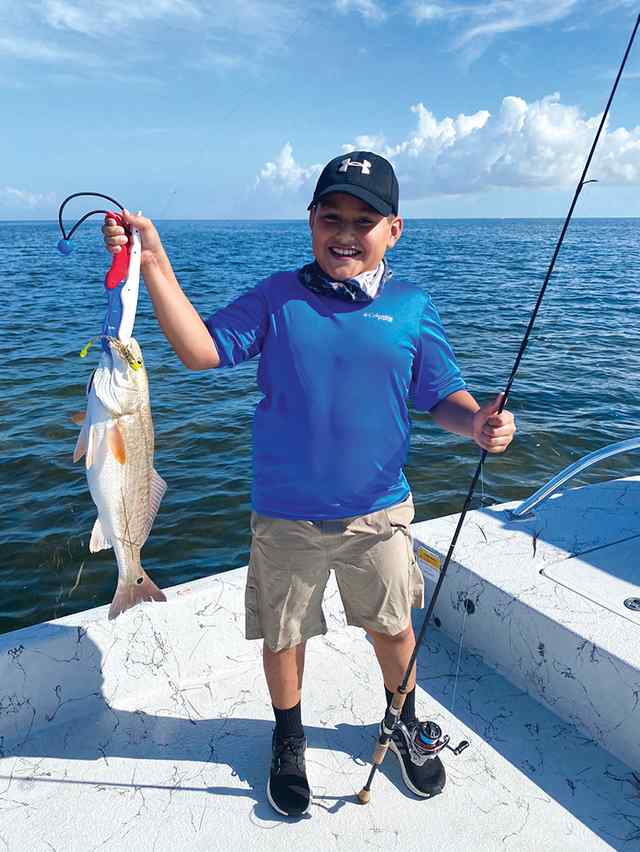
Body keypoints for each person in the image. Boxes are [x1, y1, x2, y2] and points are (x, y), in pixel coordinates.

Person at [103, 151, 516, 817]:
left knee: (393, 629)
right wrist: (153, 262)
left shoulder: (412, 307)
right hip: (285, 514)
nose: (345, 233)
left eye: (364, 220)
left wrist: (478, 423)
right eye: (332, 217)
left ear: (394, 230)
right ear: (311, 221)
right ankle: (289, 736)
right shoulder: (277, 297)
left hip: (378, 512)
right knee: (284, 633)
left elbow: (443, 395)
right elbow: (200, 350)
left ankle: (402, 721)